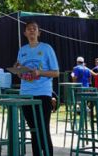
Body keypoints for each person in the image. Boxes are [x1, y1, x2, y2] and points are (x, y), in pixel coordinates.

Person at [15, 21, 59, 156]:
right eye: (29, 29)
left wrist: (40, 73)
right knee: (33, 129)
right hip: (26, 94)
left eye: (34, 28)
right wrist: (17, 70)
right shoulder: (22, 50)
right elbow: (19, 71)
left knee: (43, 128)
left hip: (43, 94)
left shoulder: (47, 48)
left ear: (39, 32)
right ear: (25, 33)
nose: (32, 31)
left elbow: (56, 72)